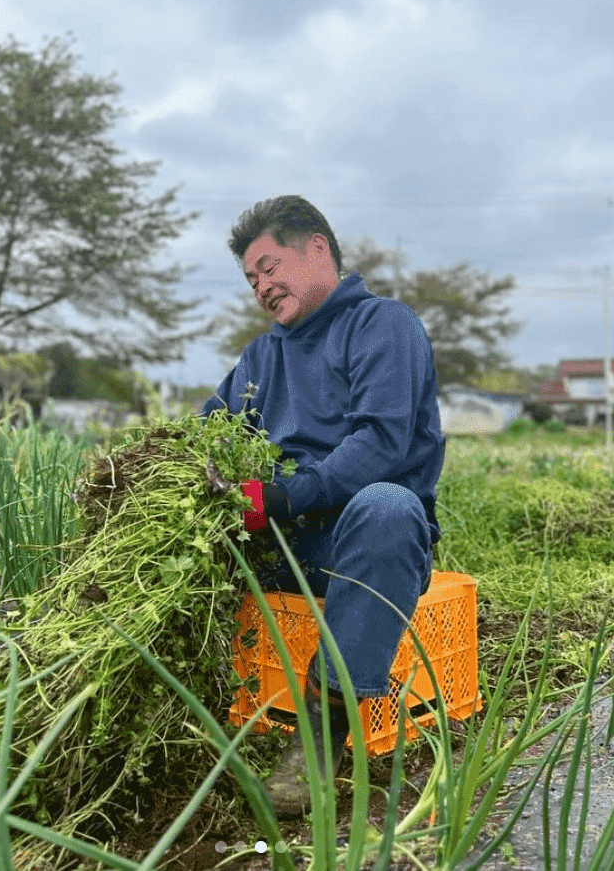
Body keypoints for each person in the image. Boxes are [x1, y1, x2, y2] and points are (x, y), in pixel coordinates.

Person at [201, 195, 445, 817]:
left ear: (316, 249)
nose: (260, 286)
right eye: (251, 278)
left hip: (357, 551)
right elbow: (204, 436)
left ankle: (320, 734)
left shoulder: (384, 326)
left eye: (268, 266)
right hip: (279, 545)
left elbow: (382, 443)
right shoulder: (260, 359)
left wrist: (281, 497)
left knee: (387, 507)